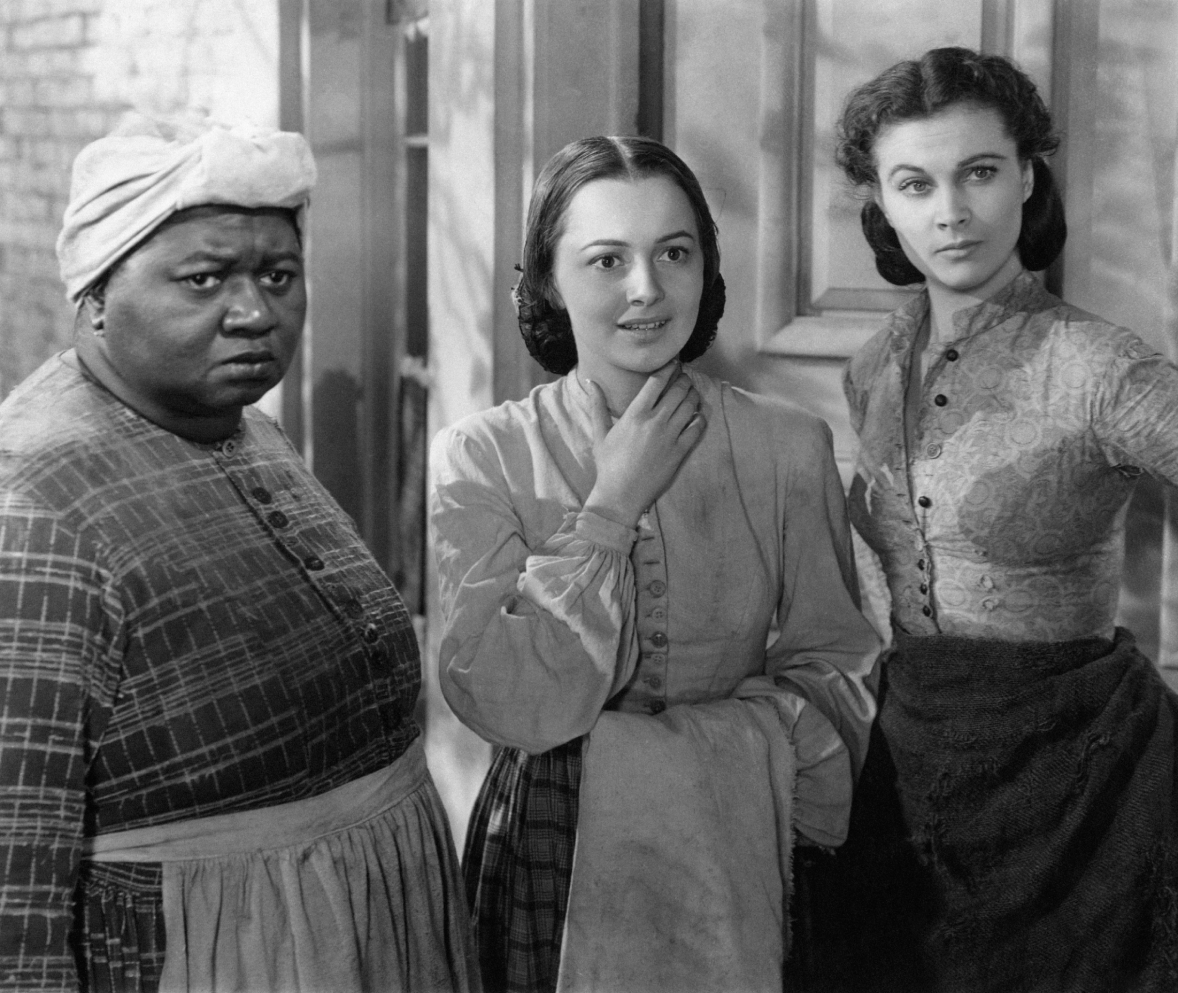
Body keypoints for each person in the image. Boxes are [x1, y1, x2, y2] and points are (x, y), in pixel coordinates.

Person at [0, 112, 479, 992]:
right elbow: (11, 891)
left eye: (279, 275)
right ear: (97, 294)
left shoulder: (247, 433)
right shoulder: (36, 506)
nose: (255, 311)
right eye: (204, 278)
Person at [427, 135, 881, 993]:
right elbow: (501, 697)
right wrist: (608, 510)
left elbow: (837, 662)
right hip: (552, 850)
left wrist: (752, 750)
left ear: (706, 268)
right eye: (605, 260)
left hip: (740, 837)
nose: (645, 289)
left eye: (673, 252)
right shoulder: (481, 455)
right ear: (548, 280)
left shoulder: (788, 444)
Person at [807, 46, 1178, 993]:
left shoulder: (1097, 367)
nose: (950, 211)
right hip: (909, 776)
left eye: (978, 172)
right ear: (882, 204)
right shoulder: (870, 367)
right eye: (915, 183)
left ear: (1025, 175)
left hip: (1086, 796)